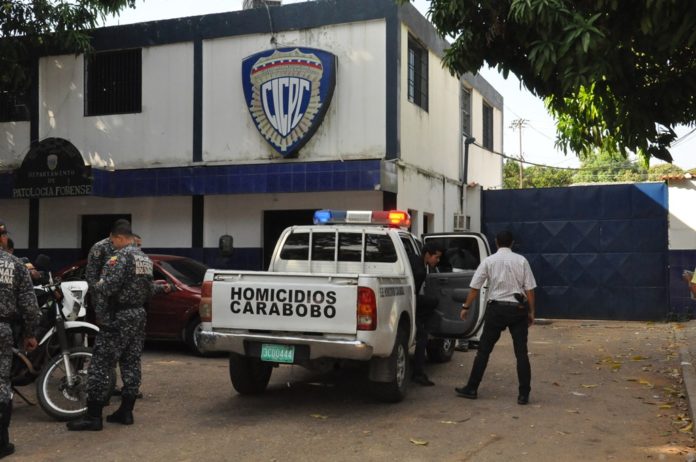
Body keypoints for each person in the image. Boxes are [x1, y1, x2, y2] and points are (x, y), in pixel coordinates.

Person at [67, 222, 154, 431]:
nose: (112, 245)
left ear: (119, 238)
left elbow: (108, 286)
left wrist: (96, 288)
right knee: (131, 362)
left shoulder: (120, 256)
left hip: (118, 316)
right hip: (138, 314)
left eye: (114, 241)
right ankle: (126, 411)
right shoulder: (145, 258)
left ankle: (93, 416)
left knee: (100, 365)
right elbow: (149, 289)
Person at [455, 230, 536, 405]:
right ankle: (523, 394)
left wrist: (465, 307)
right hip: (518, 309)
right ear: (512, 243)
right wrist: (531, 312)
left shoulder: (489, 261)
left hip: (496, 310)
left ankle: (472, 388)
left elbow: (475, 288)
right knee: (521, 353)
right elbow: (529, 289)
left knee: (483, 350)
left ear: (496, 242)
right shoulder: (521, 261)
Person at [0, 221, 40, 457]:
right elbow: (30, 307)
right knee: (1, 381)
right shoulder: (15, 265)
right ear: (3, 239)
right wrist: (29, 334)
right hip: (2, 329)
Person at [409, 243, 443, 386]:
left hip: (411, 304)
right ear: (428, 255)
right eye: (437, 257)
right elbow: (412, 295)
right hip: (410, 305)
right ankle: (418, 373)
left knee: (432, 302)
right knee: (422, 337)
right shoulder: (420, 271)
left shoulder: (415, 260)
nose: (438, 260)